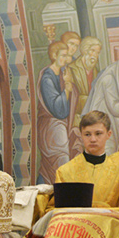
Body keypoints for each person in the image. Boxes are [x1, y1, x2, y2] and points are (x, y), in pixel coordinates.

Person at [55, 110, 119, 207]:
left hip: (107, 221)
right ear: (81, 135)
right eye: (87, 134)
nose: (92, 139)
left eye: (98, 133)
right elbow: (57, 210)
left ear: (108, 134)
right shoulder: (65, 172)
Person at [37, 41, 74, 182]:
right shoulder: (47, 78)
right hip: (51, 127)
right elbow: (57, 109)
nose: (66, 59)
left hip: (59, 125)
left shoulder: (61, 74)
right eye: (63, 55)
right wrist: (67, 89)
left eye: (67, 55)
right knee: (59, 160)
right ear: (54, 55)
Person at [67, 36, 102, 128]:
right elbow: (70, 98)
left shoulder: (95, 70)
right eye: (93, 51)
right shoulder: (72, 69)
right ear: (84, 51)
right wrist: (94, 101)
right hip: (77, 118)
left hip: (93, 115)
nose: (95, 55)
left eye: (97, 52)